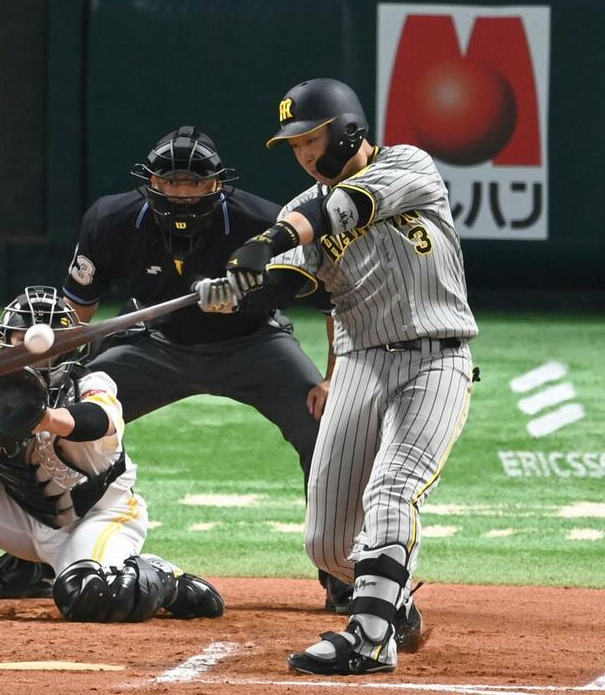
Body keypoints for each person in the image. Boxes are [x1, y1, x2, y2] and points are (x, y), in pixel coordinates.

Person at [0, 126, 351, 610]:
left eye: (195, 183)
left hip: (256, 344)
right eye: (172, 182)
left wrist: (331, 377)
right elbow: (77, 311)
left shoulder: (263, 221)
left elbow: (334, 300)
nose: (183, 192)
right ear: (150, 181)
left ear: (218, 184)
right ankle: (28, 557)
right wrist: (44, 380)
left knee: (325, 427)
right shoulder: (111, 219)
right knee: (39, 419)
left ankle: (342, 569)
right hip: (155, 347)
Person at [219, 78, 480, 675]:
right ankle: (393, 606)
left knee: (391, 491)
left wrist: (267, 240)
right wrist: (239, 290)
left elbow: (339, 210)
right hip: (360, 362)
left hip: (435, 358)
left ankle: (367, 639)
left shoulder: (409, 166)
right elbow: (292, 281)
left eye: (311, 139)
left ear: (349, 130)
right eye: (294, 146)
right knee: (330, 544)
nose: (305, 155)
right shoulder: (295, 210)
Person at [0, 286, 224, 623]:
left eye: (46, 345)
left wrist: (42, 417)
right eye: (19, 342)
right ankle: (30, 567)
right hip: (19, 516)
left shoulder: (91, 384)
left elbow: (97, 421)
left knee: (91, 596)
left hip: (96, 517)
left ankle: (162, 576)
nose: (29, 354)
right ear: (3, 341)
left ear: (68, 347)